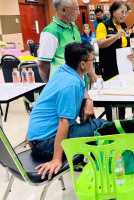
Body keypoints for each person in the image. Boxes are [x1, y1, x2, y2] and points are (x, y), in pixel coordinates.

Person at [27, 42, 106, 180]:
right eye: (91, 60)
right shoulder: (70, 85)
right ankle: (101, 175)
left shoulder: (64, 70)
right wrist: (56, 159)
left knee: (89, 128)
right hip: (46, 144)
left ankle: (95, 172)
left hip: (37, 138)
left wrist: (88, 100)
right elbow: (63, 122)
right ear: (82, 64)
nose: (93, 62)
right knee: (101, 125)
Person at [97, 0, 133, 120]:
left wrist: (130, 53)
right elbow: (101, 43)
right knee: (110, 96)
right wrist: (116, 36)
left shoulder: (124, 26)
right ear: (113, 11)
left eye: (126, 13)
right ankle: (110, 123)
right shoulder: (103, 25)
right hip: (108, 66)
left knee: (122, 94)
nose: (124, 15)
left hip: (122, 67)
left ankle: (121, 120)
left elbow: (125, 45)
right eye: (122, 12)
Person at [38, 0, 82, 82]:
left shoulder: (73, 27)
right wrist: (51, 85)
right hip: (62, 82)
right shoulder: (51, 32)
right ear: (64, 10)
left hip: (78, 79)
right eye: (76, 9)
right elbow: (43, 64)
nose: (78, 13)